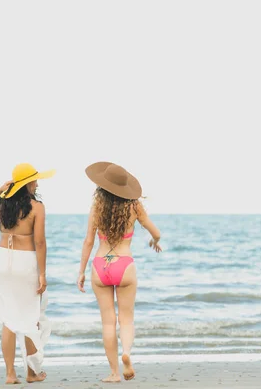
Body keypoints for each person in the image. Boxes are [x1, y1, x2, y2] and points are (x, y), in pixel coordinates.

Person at [77, 162, 162, 383]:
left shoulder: (97, 207)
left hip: (99, 266)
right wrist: (154, 241)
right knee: (126, 319)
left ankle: (114, 373)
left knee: (108, 322)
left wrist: (81, 272)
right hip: (125, 265)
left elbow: (88, 242)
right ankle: (127, 352)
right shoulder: (134, 207)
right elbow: (156, 232)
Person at [0, 163, 55, 384]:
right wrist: (42, 274)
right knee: (30, 316)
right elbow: (40, 242)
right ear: (28, 184)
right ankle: (32, 373)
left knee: (8, 319)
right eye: (35, 180)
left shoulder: (3, 204)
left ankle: (10, 374)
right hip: (25, 263)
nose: (37, 183)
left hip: (2, 260)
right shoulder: (37, 207)